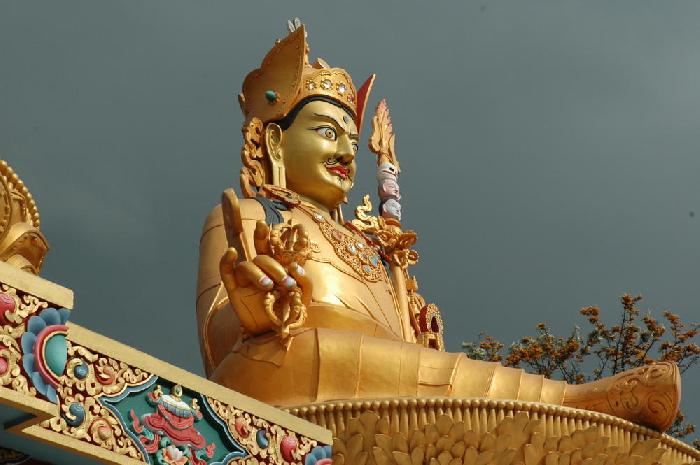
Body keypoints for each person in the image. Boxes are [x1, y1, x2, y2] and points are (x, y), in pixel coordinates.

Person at [195, 23, 680, 432]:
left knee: (419, 370)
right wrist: (248, 313)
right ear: (276, 142)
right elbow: (219, 341)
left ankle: (549, 410)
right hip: (290, 370)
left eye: (349, 137)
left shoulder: (375, 253)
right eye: (326, 132)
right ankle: (570, 404)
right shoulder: (249, 215)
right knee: (298, 352)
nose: (346, 153)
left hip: (393, 394)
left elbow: (411, 357)